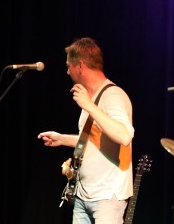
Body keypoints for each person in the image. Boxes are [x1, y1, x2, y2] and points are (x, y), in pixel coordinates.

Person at [37, 37, 134, 224]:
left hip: (107, 197)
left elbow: (124, 135)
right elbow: (94, 139)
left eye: (68, 66)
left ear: (80, 66)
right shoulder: (91, 97)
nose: (67, 71)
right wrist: (61, 139)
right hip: (83, 195)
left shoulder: (113, 95)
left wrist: (89, 105)